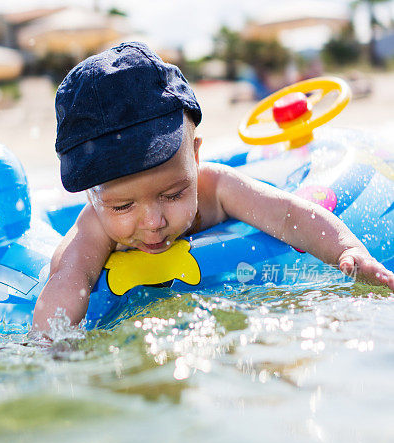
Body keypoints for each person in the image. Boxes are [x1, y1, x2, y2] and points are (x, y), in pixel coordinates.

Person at [31, 42, 394, 335]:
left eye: (172, 194)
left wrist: (348, 250)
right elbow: (69, 275)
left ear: (195, 155)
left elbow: (288, 213)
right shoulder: (93, 224)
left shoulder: (216, 187)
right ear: (92, 195)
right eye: (123, 206)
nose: (153, 221)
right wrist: (49, 345)